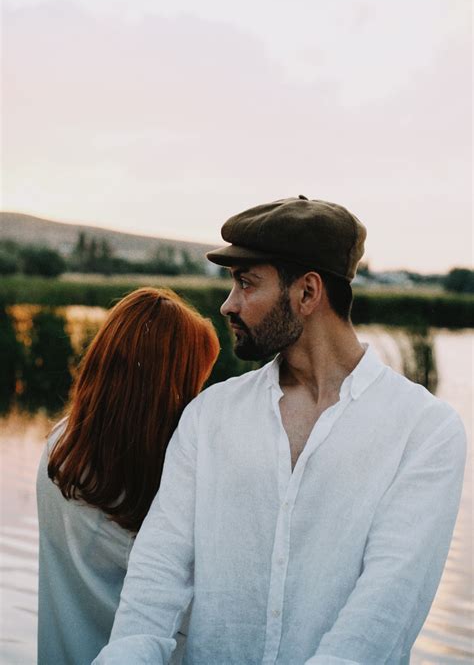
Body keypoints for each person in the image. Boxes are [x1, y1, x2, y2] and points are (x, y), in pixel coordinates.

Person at [94, 198, 466, 665]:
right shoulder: (208, 417)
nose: (228, 304)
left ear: (308, 293)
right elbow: (155, 583)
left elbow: (386, 608)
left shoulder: (426, 431)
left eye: (247, 284)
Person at [36, 287, 219, 665]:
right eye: (194, 383)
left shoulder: (61, 447)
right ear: (167, 389)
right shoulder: (141, 486)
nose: (196, 397)